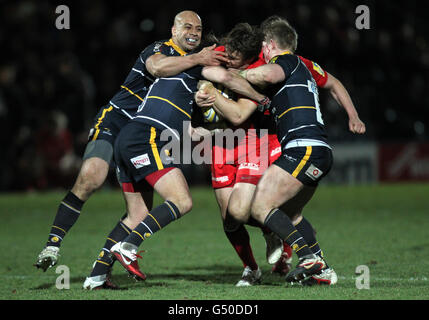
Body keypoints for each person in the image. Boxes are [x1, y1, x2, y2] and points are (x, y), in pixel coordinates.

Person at [34, 10, 228, 279]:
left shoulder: (191, 66)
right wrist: (199, 60)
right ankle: (52, 244)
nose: (194, 32)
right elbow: (157, 68)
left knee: (139, 213)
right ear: (173, 30)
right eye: (187, 27)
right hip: (118, 120)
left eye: (198, 28)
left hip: (143, 133)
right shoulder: (162, 49)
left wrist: (199, 105)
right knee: (92, 176)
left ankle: (98, 275)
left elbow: (176, 105)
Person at [199, 17, 365, 285]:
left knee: (259, 205)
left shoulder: (284, 62)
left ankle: (310, 258)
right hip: (318, 150)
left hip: (303, 149)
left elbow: (267, 74)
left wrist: (236, 76)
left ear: (270, 44)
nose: (261, 55)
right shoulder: (307, 66)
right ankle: (323, 271)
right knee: (290, 214)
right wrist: (353, 116)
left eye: (263, 49)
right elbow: (334, 83)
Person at [106, 29, 270, 284]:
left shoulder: (250, 69)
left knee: (243, 209)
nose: (228, 60)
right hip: (218, 143)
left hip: (251, 142)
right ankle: (252, 266)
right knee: (230, 218)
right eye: (225, 56)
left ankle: (288, 239)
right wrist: (201, 95)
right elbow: (191, 96)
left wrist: (256, 97)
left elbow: (238, 115)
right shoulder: (206, 65)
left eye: (234, 58)